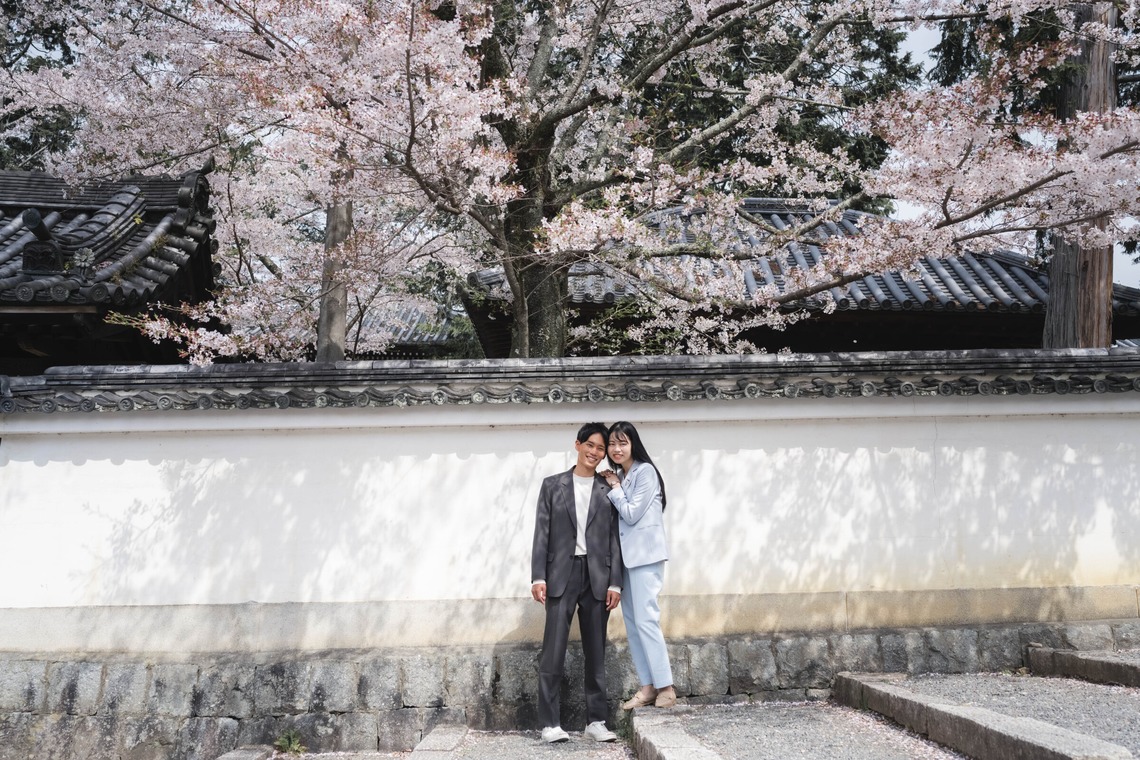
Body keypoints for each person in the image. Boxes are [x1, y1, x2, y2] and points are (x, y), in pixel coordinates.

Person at [531, 422, 623, 744]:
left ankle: (596, 721)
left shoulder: (608, 488)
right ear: (578, 444)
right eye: (591, 446)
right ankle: (550, 724)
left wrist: (616, 583)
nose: (595, 453)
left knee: (596, 652)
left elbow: (615, 537)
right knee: (553, 651)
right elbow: (542, 532)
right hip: (561, 575)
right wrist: (538, 576)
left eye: (601, 449)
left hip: (597, 576)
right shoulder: (553, 485)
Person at [601, 421, 676, 709]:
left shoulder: (645, 472)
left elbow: (631, 514)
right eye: (612, 444)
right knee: (633, 624)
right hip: (627, 560)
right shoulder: (621, 474)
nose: (616, 449)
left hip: (646, 557)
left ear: (633, 444)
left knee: (647, 619)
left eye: (622, 443)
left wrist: (616, 487)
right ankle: (647, 687)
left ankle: (666, 687)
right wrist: (616, 482)